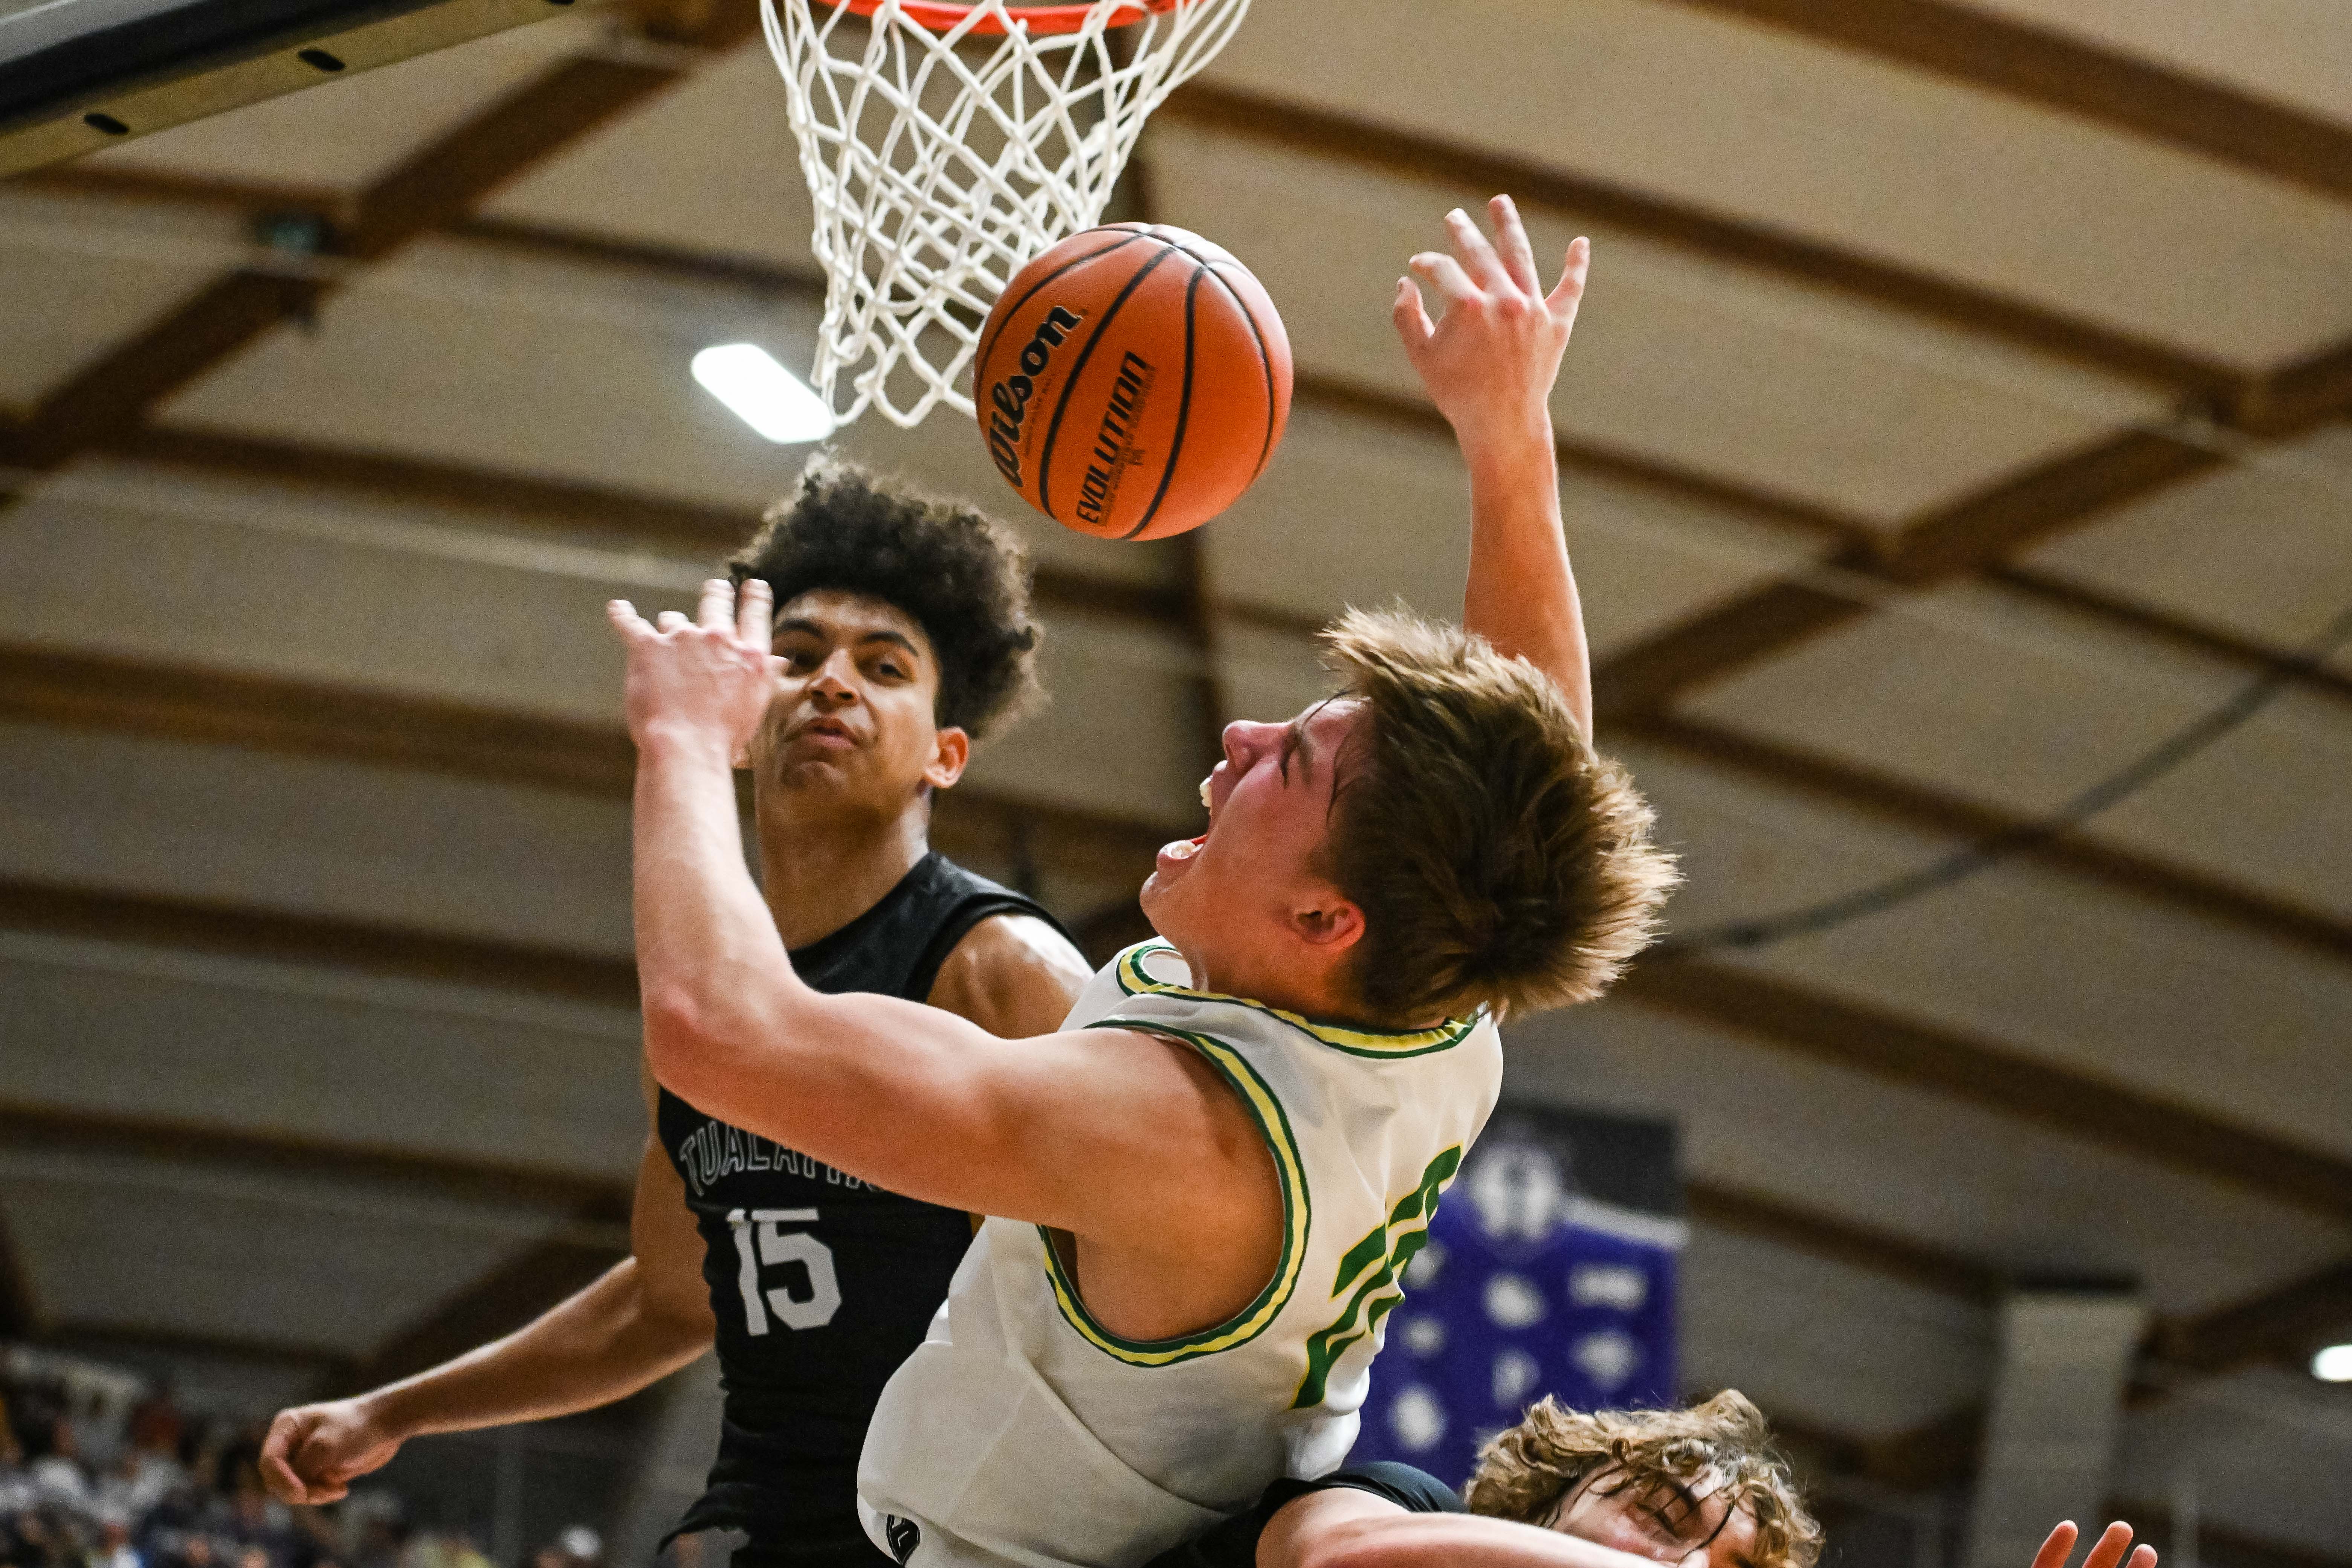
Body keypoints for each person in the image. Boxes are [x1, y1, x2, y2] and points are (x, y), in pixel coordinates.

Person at [606, 193, 1678, 1568]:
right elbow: (1538, 769)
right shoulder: (1427, 987)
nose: (1236, 738)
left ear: (1320, 915)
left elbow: (724, 1036)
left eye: (1288, 761)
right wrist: (1505, 429)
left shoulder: (1178, 1137)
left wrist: (684, 740)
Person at [259, 469, 1095, 1567]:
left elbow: (1148, 1279)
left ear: (945, 751)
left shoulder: (1003, 970)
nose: (831, 682)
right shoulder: (708, 993)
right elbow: (664, 1301)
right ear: (742, 720)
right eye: (794, 657)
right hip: (777, 1525)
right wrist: (395, 1411)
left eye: (882, 667)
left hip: (973, 1537)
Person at [1153, 1391, 2158, 1568]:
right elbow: (1329, 1557)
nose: (1676, 1562)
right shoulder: (1403, 1502)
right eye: (1657, 1515)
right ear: (1557, 1487)